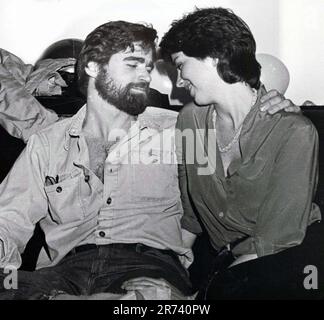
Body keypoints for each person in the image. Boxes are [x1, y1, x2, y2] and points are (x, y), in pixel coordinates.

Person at [0, 19, 297, 300]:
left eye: (148, 67)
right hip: (62, 275)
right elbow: (8, 222)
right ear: (92, 66)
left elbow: (236, 195)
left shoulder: (183, 130)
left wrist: (272, 116)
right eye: (133, 64)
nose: (145, 75)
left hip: (146, 270)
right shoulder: (47, 143)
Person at [159, 7, 324, 299]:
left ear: (212, 56)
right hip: (231, 260)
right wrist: (170, 273)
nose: (179, 81)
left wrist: (208, 292)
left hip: (291, 257)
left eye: (180, 65)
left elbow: (276, 239)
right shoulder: (190, 120)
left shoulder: (293, 132)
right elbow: (191, 216)